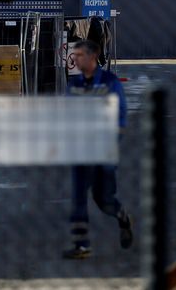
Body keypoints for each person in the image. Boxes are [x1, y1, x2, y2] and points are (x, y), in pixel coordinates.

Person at [63, 39, 133, 259]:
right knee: (78, 199)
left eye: (80, 54)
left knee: (104, 200)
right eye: (74, 54)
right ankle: (81, 245)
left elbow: (120, 116)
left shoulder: (110, 82)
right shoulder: (74, 85)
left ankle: (122, 217)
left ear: (93, 56)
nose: (75, 58)